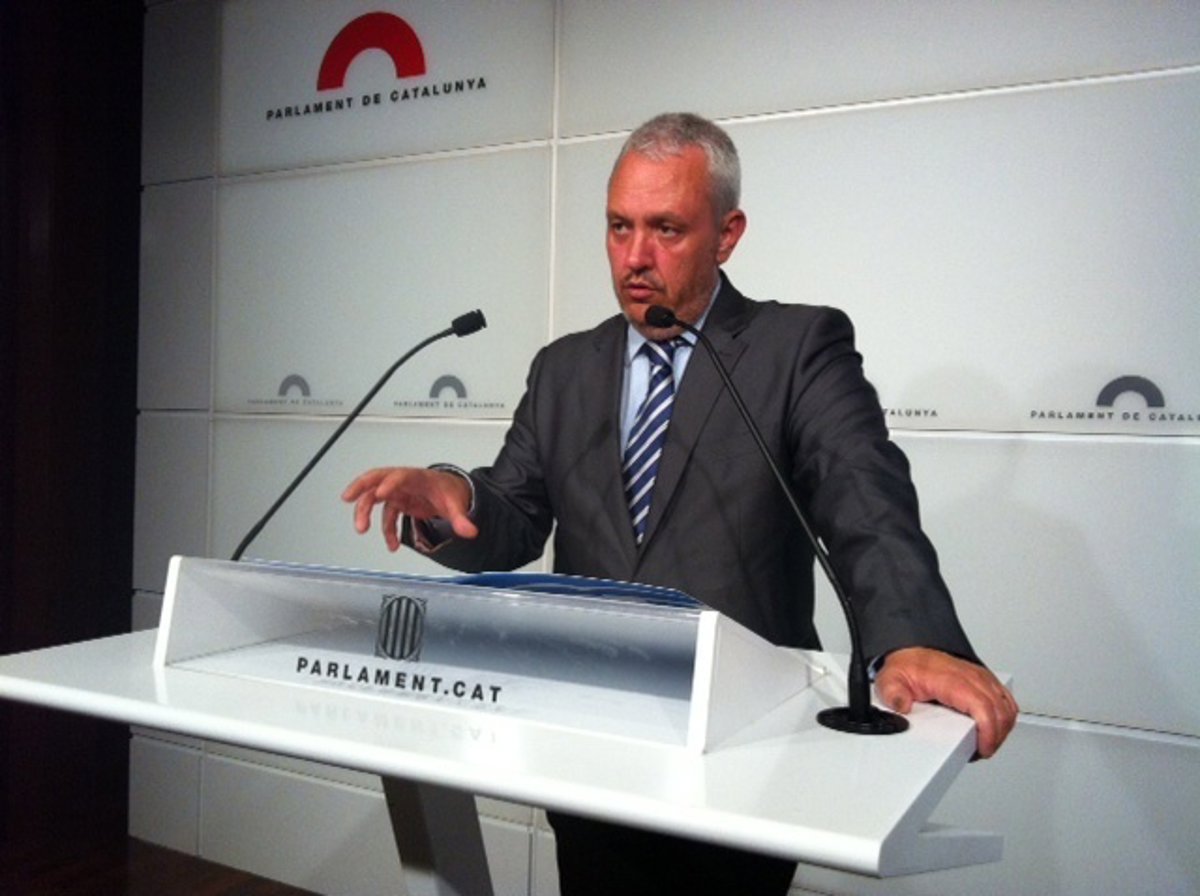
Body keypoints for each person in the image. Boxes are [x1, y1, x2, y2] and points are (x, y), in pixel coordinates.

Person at [343, 112, 1017, 895]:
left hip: (739, 750)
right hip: (587, 735)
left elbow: (862, 493)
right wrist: (452, 497)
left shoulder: (796, 349)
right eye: (619, 227)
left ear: (727, 234)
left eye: (666, 229)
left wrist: (913, 637)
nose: (635, 256)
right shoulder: (564, 369)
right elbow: (514, 514)